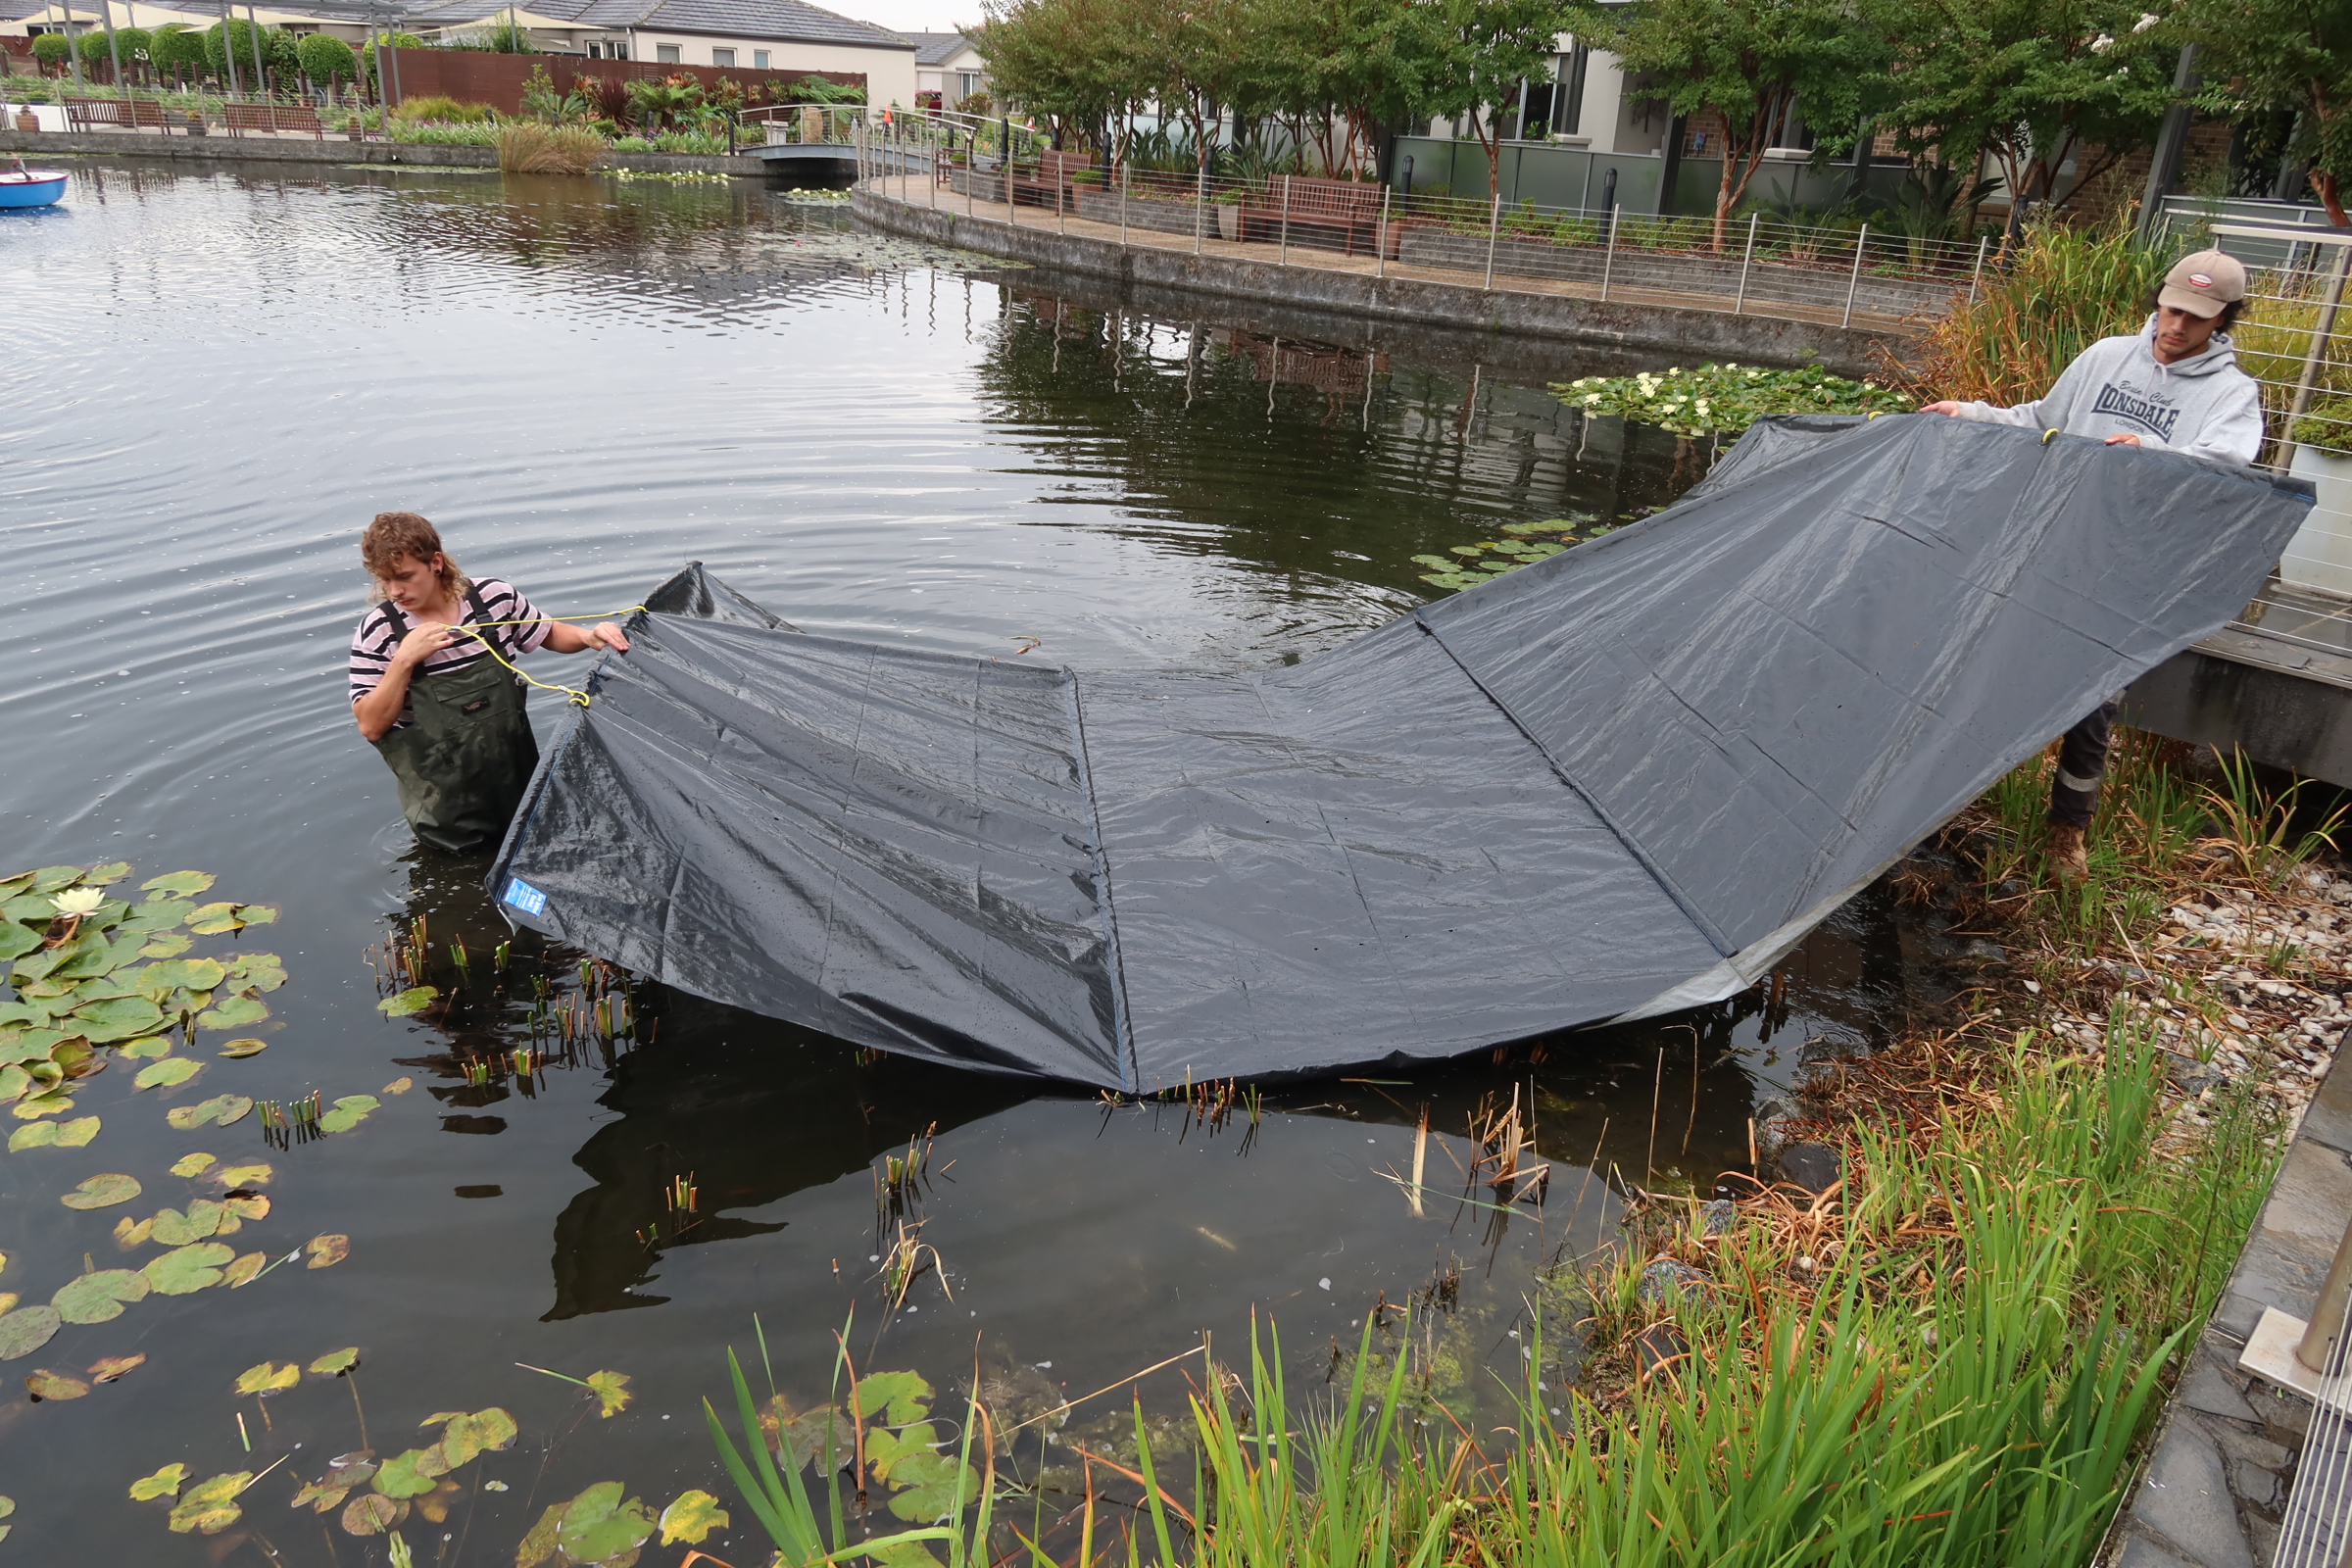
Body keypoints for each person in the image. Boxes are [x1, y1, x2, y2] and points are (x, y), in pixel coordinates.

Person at [1921, 248, 2263, 880]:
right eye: (2172, 309)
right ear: (2159, 299)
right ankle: (1931, 803)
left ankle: (2066, 833)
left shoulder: (2231, 394)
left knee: (2093, 699)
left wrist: (2152, 453)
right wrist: (1969, 413)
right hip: (2053, 544)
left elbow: (2227, 464)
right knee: (1982, 666)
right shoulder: (2106, 356)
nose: (2178, 326)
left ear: (2223, 322)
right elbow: (2040, 421)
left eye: (2197, 318)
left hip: (2128, 571)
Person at [350, 512, 630, 854]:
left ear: (435, 562)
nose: (395, 591)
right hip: (448, 815)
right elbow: (370, 725)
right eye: (385, 579)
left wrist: (590, 636)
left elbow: (550, 633)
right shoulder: (380, 632)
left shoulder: (493, 598)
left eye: (405, 577)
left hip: (519, 787)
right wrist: (405, 659)